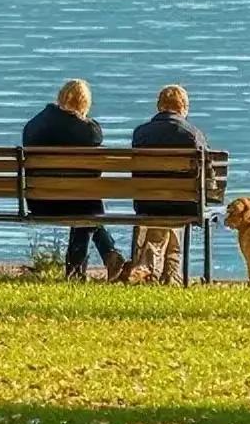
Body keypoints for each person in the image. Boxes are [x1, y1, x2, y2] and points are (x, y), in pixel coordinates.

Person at [23, 79, 125, 282]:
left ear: (60, 96)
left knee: (86, 204)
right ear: (84, 104)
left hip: (40, 201)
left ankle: (81, 271)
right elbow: (96, 138)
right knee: (89, 206)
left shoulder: (33, 126)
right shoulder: (88, 131)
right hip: (77, 202)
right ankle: (101, 257)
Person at [122, 83, 207, 286]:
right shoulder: (193, 135)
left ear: (159, 106)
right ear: (183, 108)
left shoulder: (140, 133)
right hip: (184, 204)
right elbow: (208, 178)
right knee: (176, 202)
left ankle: (154, 270)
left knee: (162, 202)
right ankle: (169, 273)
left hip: (146, 203)